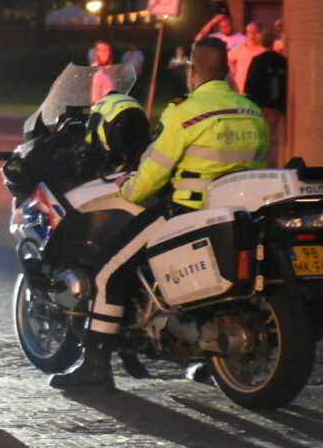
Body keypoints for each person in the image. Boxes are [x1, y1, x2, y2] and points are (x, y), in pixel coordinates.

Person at [49, 38, 269, 392]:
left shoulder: (186, 112)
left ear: (193, 71)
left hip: (187, 209)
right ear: (226, 70)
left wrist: (128, 191)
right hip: (238, 213)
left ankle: (95, 367)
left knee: (108, 273)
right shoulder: (250, 110)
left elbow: (153, 172)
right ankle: (209, 361)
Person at [243, 30, 288, 166]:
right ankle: (268, 161)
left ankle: (261, 163)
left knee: (260, 135)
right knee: (270, 134)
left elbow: (250, 83)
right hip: (276, 104)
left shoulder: (258, 61)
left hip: (260, 104)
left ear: (260, 42)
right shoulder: (282, 61)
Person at [227, 22, 265, 92]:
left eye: (255, 32)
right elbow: (227, 58)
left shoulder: (264, 49)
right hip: (240, 90)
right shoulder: (240, 48)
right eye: (249, 32)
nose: (252, 35)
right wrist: (232, 68)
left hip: (257, 91)